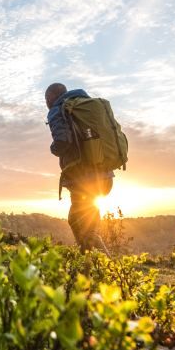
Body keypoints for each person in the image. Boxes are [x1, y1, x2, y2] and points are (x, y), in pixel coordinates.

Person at [45, 83, 114, 252]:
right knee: (85, 222)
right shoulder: (85, 106)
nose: (46, 103)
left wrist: (53, 148)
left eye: (46, 99)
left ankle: (97, 263)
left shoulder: (57, 110)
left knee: (81, 224)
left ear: (51, 98)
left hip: (83, 179)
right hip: (105, 176)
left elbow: (62, 141)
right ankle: (90, 260)